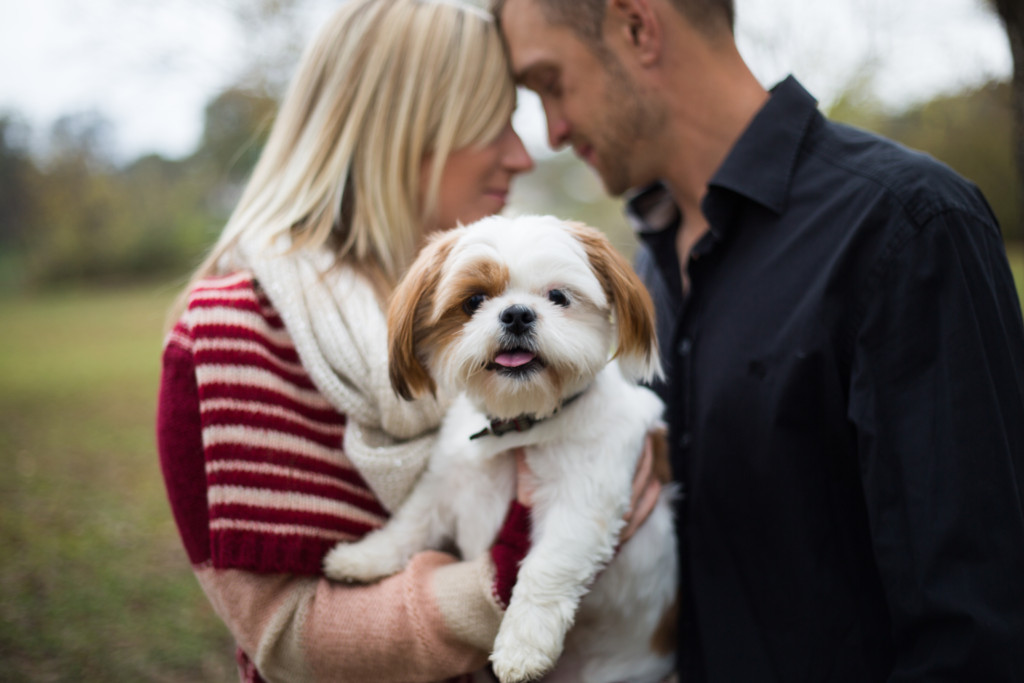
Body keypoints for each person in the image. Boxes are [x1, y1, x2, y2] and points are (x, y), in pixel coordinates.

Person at [493, 0, 1024, 680]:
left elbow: (976, 627)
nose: (554, 130)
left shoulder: (909, 227)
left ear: (637, 26)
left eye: (549, 83)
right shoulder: (638, 277)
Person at [156, 1, 539, 680]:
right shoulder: (223, 342)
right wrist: (513, 581)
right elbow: (289, 640)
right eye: (494, 121)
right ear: (404, 127)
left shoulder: (500, 316)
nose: (522, 153)